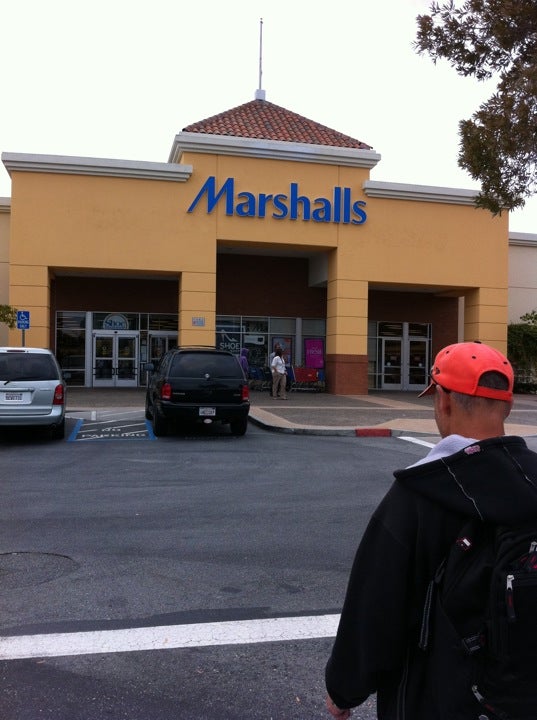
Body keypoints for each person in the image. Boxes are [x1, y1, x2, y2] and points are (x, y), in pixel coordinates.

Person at [325, 341, 537, 720]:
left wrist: (344, 691)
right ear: (507, 405)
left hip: (440, 699)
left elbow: (375, 606)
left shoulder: (420, 493)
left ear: (444, 400)